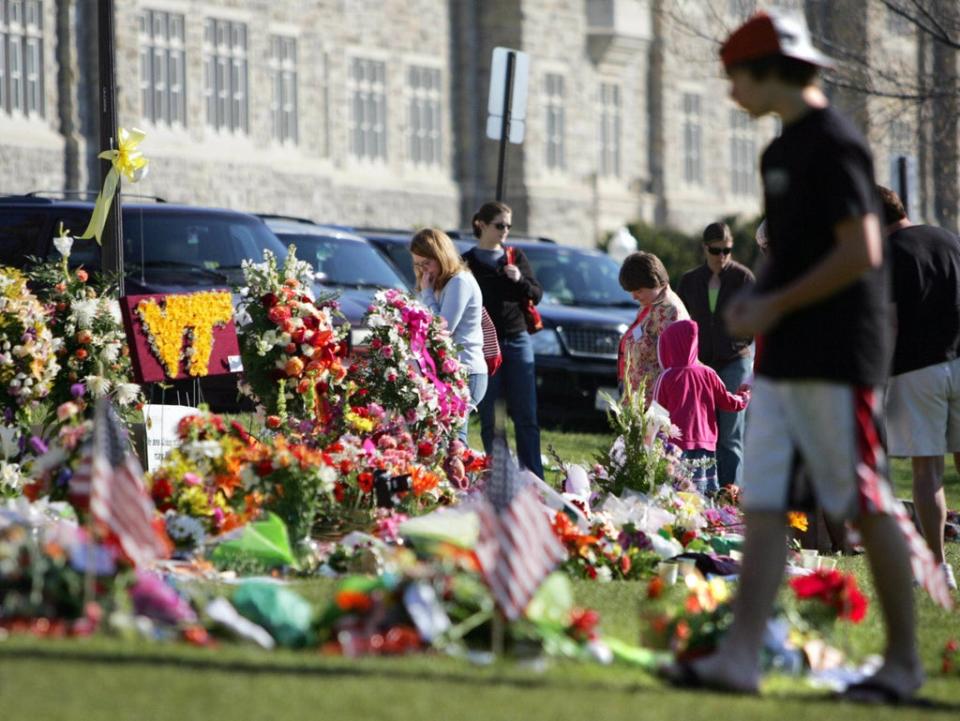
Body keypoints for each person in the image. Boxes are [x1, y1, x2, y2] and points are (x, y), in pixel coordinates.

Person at [662, 10, 952, 702]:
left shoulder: (834, 144)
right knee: (763, 504)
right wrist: (759, 301)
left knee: (863, 499)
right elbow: (795, 260)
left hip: (835, 356)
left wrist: (770, 305)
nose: (731, 93)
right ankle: (738, 658)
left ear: (768, 73)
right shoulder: (781, 152)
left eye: (736, 77)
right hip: (783, 359)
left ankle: (904, 662)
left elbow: (862, 251)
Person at [878, 185, 960, 590]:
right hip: (959, 360)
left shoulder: (890, 255)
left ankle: (937, 565)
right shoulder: (950, 238)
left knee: (927, 471)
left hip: (916, 369)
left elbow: (889, 324)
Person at [462, 201, 544, 478]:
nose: (505, 231)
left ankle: (533, 477)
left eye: (508, 226)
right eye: (499, 225)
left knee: (526, 416)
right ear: (481, 225)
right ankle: (499, 475)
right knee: (490, 417)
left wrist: (520, 279)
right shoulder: (467, 262)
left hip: (517, 339)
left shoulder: (514, 257)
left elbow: (536, 293)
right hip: (484, 344)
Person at [677, 222, 755, 488]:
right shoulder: (689, 281)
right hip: (700, 363)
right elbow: (681, 322)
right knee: (701, 429)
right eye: (715, 250)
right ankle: (703, 488)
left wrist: (739, 342)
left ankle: (730, 492)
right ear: (704, 248)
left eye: (727, 250)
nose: (721, 256)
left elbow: (756, 318)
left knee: (730, 432)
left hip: (734, 359)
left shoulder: (743, 278)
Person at [653, 319, 751, 496]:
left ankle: (681, 522)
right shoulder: (708, 373)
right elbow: (729, 402)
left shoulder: (667, 377)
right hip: (706, 445)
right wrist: (744, 397)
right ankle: (707, 521)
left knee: (677, 492)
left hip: (677, 446)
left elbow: (657, 413)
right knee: (704, 493)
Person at [410, 228, 488, 445]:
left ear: (441, 256)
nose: (422, 270)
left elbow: (442, 329)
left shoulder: (459, 282)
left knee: (453, 440)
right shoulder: (436, 282)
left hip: (467, 372)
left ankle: (466, 479)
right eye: (417, 264)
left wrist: (426, 293)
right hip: (446, 371)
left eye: (426, 263)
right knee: (444, 440)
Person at [617, 251, 689, 407]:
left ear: (655, 281)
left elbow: (675, 366)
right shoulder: (650, 304)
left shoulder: (670, 311)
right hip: (640, 398)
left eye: (638, 290)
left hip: (656, 406)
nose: (634, 297)